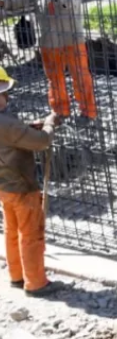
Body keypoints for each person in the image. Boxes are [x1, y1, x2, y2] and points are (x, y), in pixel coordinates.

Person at [0, 0, 97, 126]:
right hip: (48, 40)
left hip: (72, 38)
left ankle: (88, 112)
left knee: (80, 76)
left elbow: (73, 2)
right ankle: (60, 111)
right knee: (55, 79)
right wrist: (6, 2)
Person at [0, 66, 65, 297]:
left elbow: (12, 136)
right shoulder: (6, 123)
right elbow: (41, 142)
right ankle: (36, 283)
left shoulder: (7, 124)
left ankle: (17, 276)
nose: (7, 96)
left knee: (12, 230)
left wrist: (26, 128)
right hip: (21, 185)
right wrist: (49, 123)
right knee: (31, 234)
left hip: (4, 185)